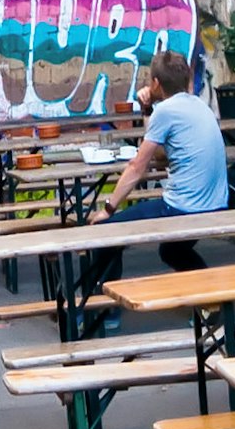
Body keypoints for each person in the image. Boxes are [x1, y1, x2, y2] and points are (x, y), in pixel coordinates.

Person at [87, 47, 227, 296]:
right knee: (172, 251)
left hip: (183, 207)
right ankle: (212, 298)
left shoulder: (166, 110)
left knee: (105, 232)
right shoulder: (199, 105)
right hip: (217, 204)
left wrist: (107, 209)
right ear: (186, 80)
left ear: (155, 83)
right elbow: (161, 154)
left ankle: (96, 311)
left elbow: (136, 167)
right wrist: (148, 110)